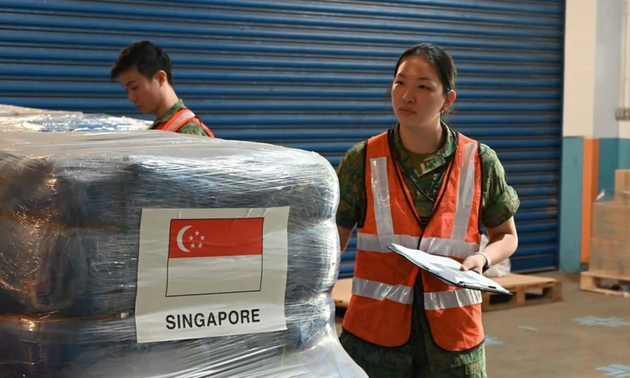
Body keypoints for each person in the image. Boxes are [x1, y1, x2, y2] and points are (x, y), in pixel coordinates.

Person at [335, 43, 520, 377]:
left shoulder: (479, 161)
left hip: (452, 344)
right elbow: (333, 239)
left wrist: (483, 259)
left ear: (448, 99)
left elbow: (505, 236)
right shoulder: (362, 160)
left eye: (423, 86)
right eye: (400, 83)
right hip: (374, 341)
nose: (407, 96)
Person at [110, 41, 214, 137]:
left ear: (160, 78)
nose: (131, 98)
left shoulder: (189, 133)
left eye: (134, 87)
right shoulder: (162, 128)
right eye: (127, 90)